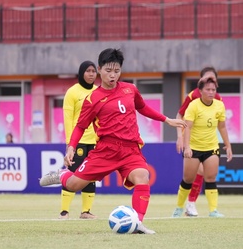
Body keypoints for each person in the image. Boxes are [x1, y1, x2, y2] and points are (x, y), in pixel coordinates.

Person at [39, 48, 187, 234]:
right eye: (108, 71)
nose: (113, 75)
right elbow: (80, 126)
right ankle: (61, 175)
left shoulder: (130, 89)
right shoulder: (92, 99)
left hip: (130, 149)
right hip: (105, 150)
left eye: (116, 71)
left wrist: (167, 120)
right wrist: (71, 147)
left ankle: (137, 223)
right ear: (100, 70)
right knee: (73, 185)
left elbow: (143, 108)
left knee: (142, 177)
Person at [173, 77, 232, 218]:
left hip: (211, 147)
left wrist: (228, 145)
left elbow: (222, 126)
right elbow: (187, 127)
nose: (211, 92)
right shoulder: (193, 105)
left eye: (213, 89)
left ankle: (213, 211)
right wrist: (187, 147)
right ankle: (179, 208)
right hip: (193, 147)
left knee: (211, 177)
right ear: (200, 91)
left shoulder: (219, 105)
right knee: (188, 179)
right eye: (208, 89)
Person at [59, 60, 99, 220]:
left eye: (93, 71)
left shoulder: (99, 91)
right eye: (88, 71)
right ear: (81, 73)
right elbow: (68, 119)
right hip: (78, 141)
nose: (91, 74)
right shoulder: (72, 92)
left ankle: (86, 211)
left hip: (95, 141)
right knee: (73, 174)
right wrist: (70, 144)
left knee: (91, 175)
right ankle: (64, 211)